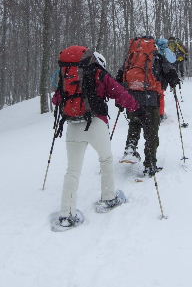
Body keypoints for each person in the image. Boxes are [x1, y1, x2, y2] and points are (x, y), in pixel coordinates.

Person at [51, 46, 139, 230]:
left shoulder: (66, 73)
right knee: (106, 159)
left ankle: (66, 215)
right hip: (96, 123)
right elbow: (119, 92)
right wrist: (136, 107)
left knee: (72, 171)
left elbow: (57, 99)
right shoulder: (98, 73)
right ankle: (108, 198)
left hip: (73, 125)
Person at [117, 36, 180, 176]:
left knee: (134, 123)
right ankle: (150, 165)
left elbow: (120, 75)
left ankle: (130, 149)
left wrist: (121, 98)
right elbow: (170, 72)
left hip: (131, 97)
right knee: (151, 133)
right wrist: (174, 82)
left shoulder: (131, 57)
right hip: (150, 100)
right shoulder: (156, 57)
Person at [156, 38, 176, 121]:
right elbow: (173, 60)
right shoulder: (167, 51)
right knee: (160, 95)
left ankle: (152, 112)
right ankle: (160, 114)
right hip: (164, 76)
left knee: (153, 94)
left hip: (152, 76)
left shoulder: (153, 50)